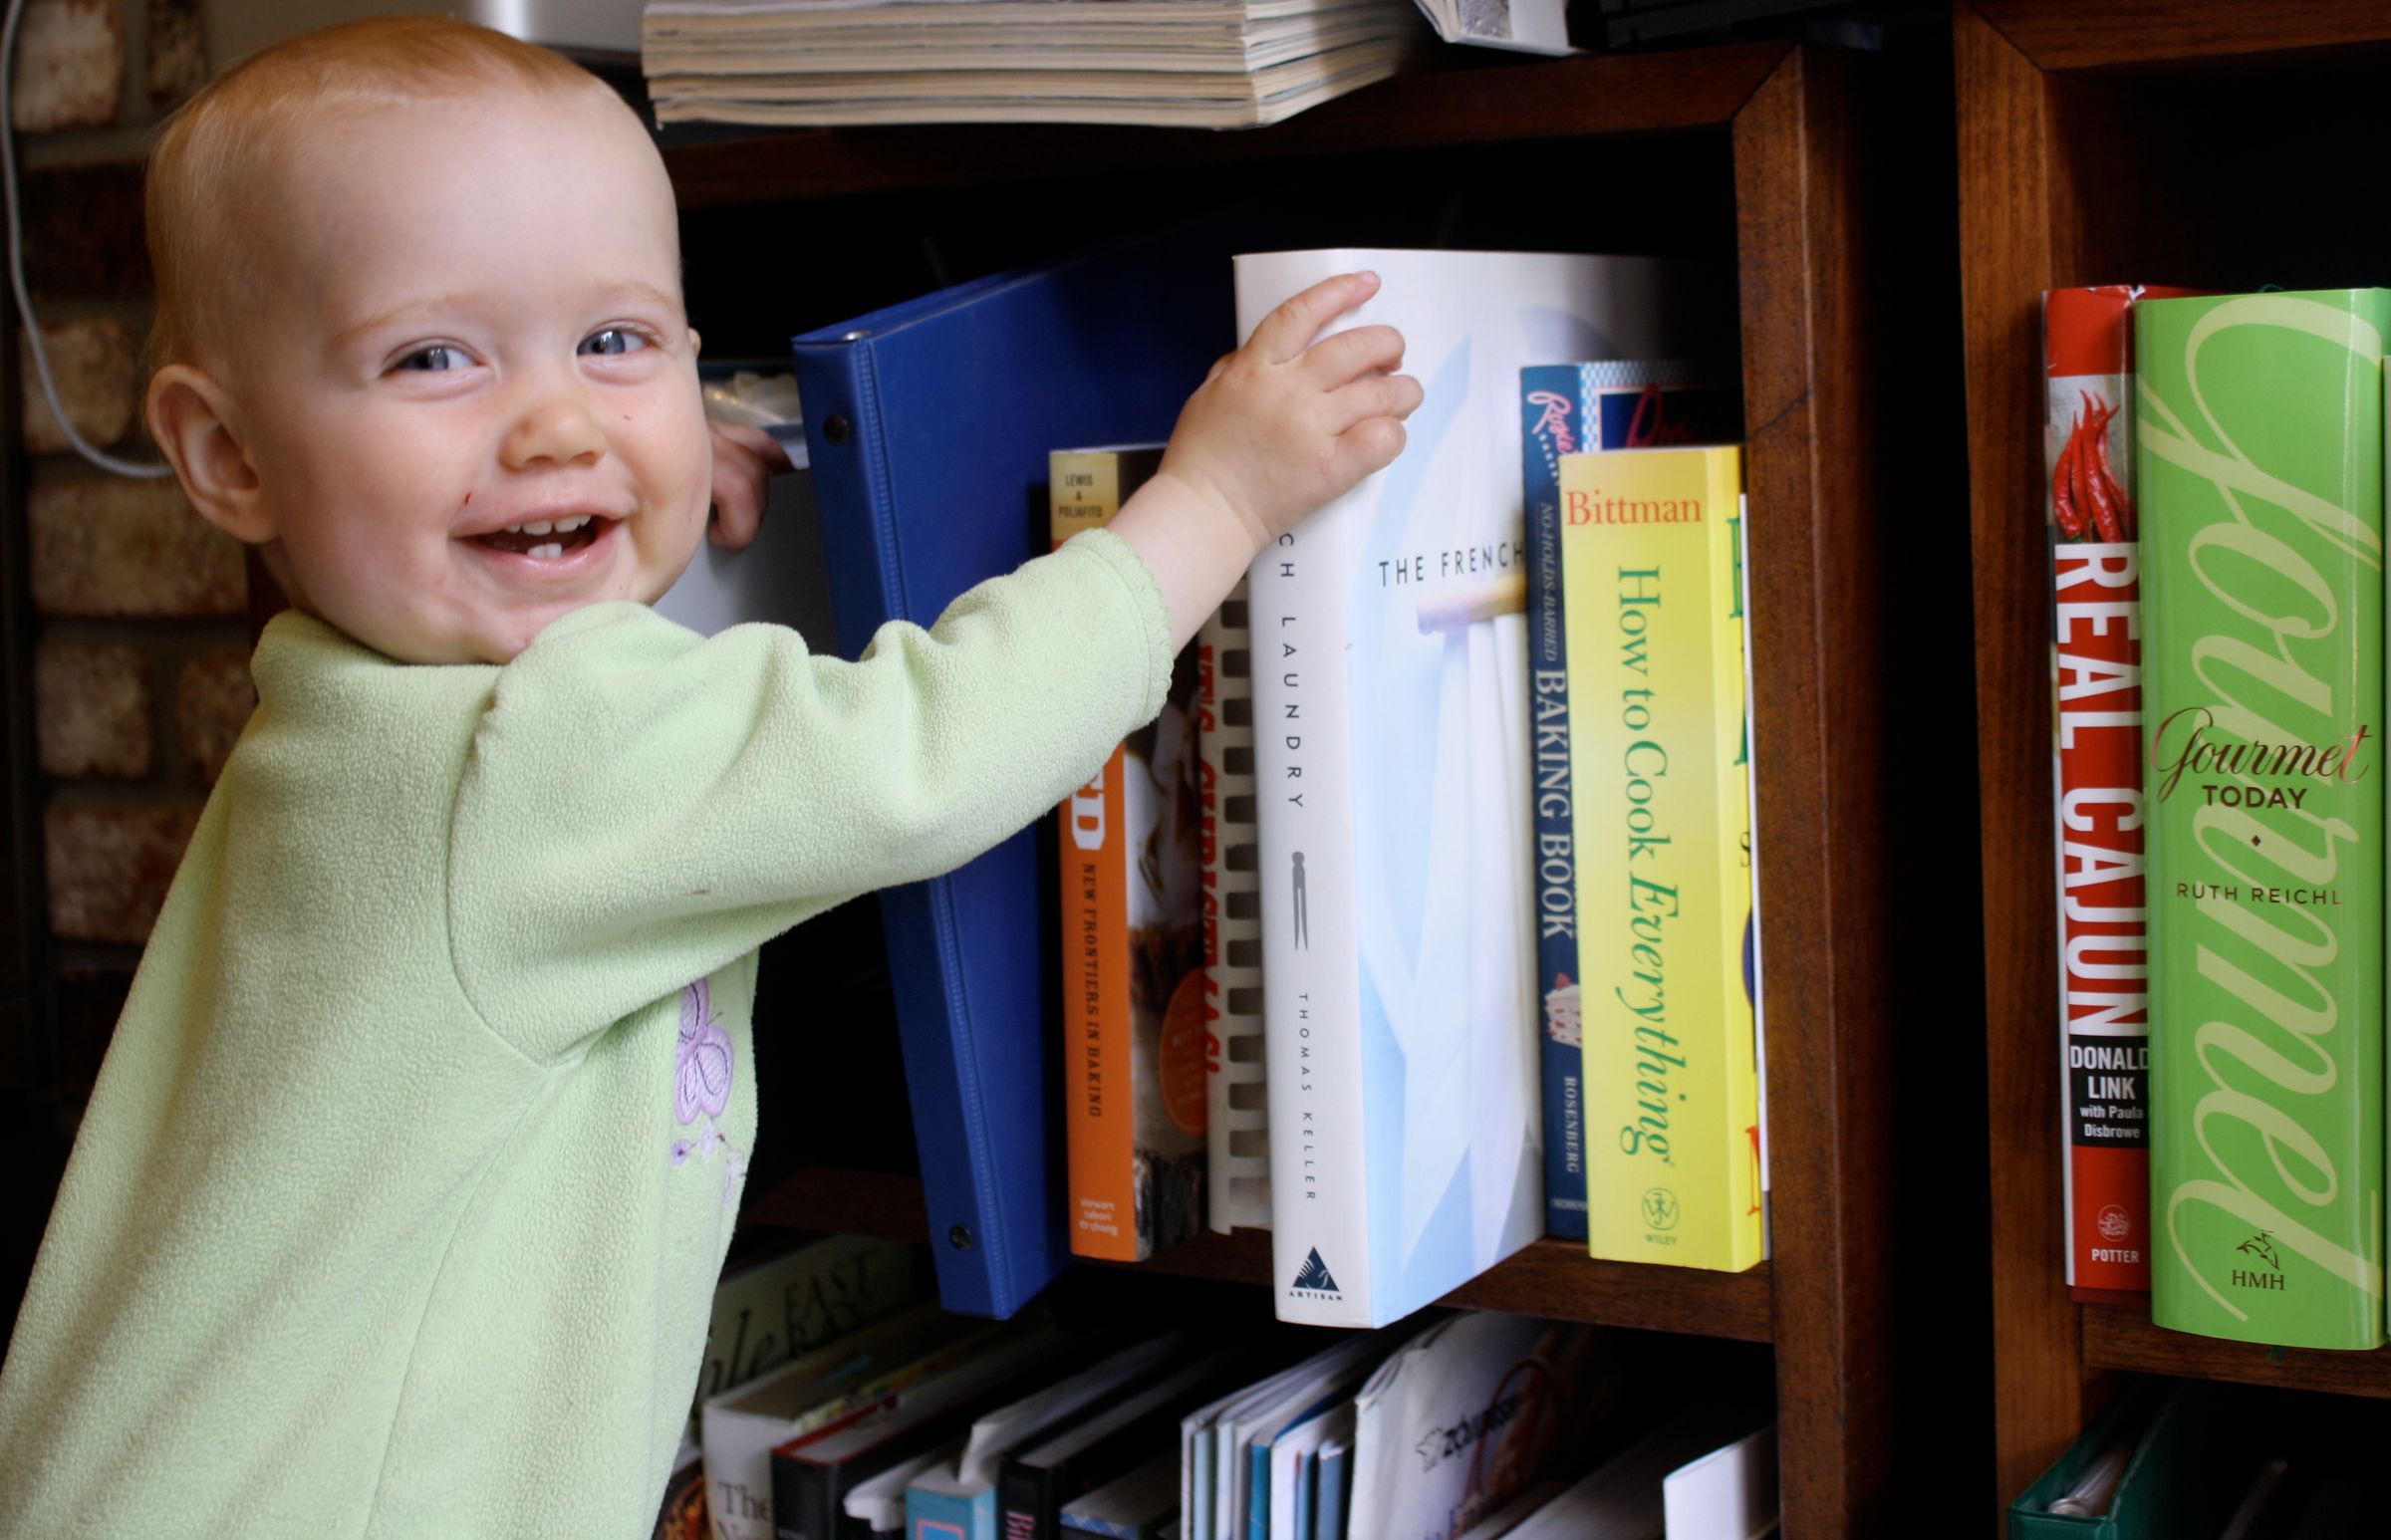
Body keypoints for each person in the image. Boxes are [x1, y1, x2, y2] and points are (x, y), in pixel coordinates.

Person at [0, 16, 1419, 1538]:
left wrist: (654, 493)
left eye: (614, 345)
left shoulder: (352, 721)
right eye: (433, 356)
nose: (555, 425)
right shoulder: (528, 753)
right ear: (225, 456)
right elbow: (922, 754)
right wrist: (1211, 498)